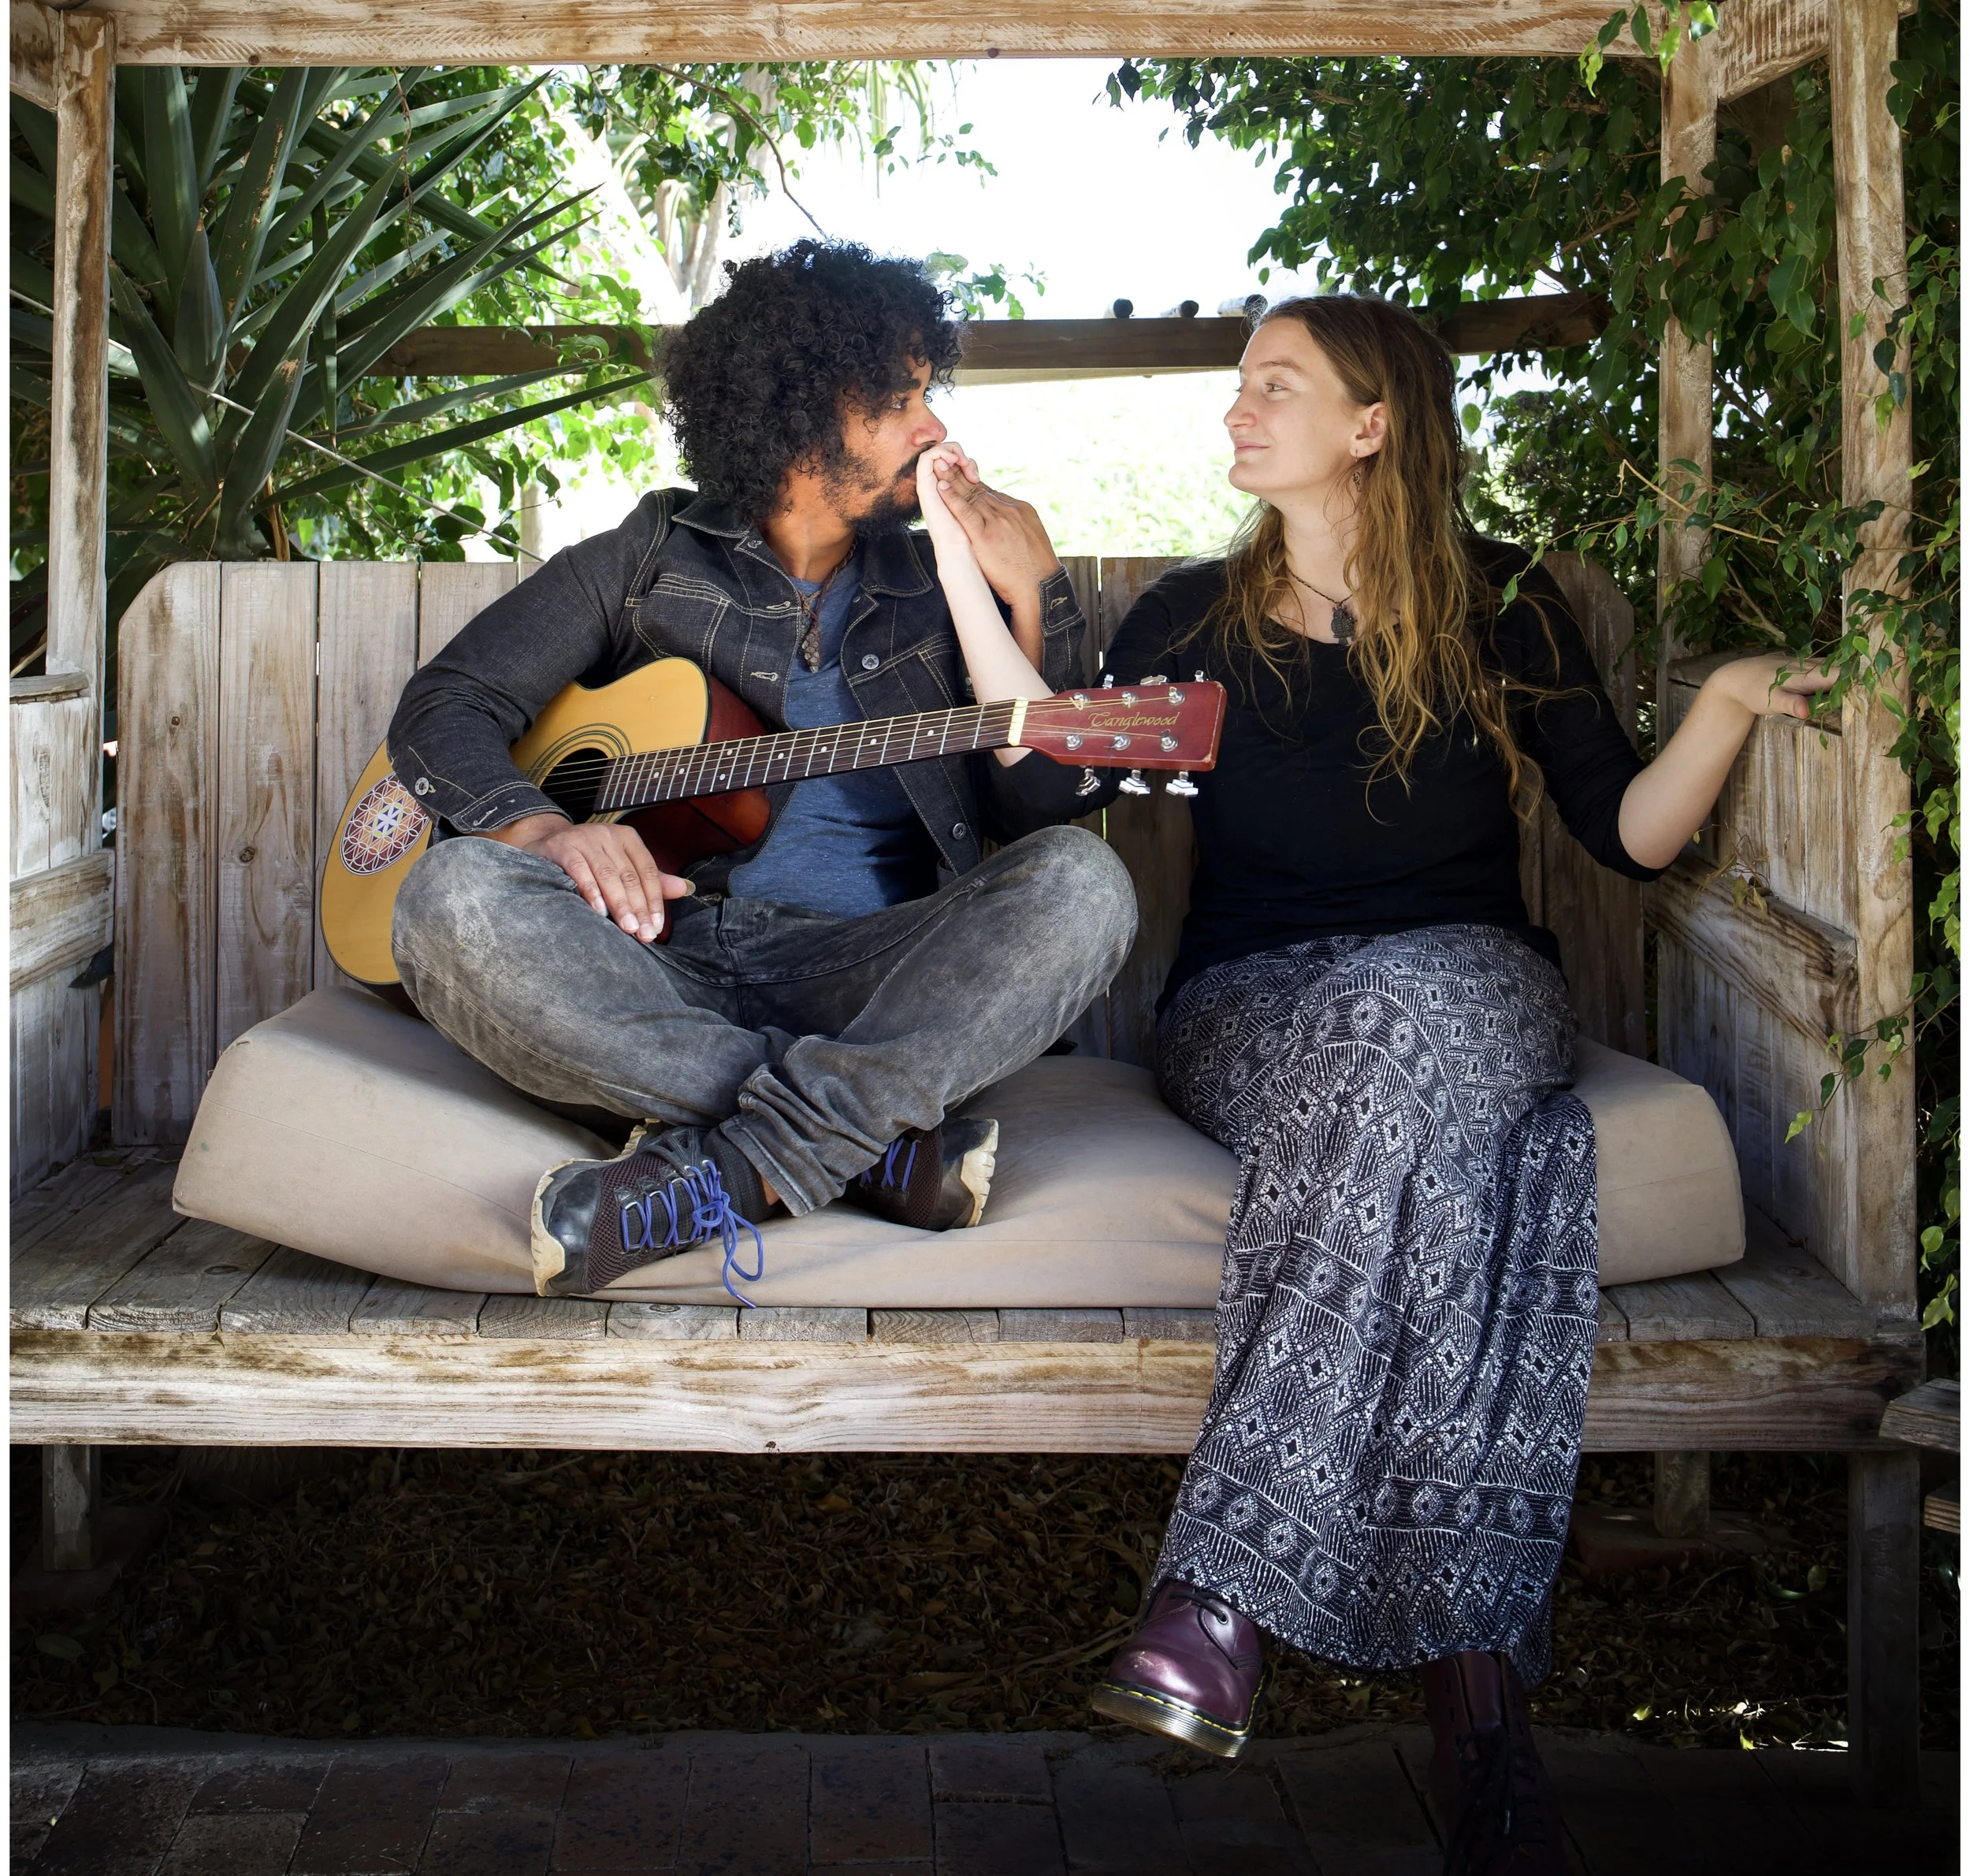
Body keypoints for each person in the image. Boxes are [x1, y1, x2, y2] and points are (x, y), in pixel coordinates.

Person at [1072, 295, 1831, 1874]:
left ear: (1371, 422)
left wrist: (1719, 709)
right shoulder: (1182, 623)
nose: (1236, 407)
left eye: (1273, 382)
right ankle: (1476, 1718)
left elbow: (1627, 830)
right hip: (1242, 1013)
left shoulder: (1504, 606)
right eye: (1237, 383)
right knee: (1425, 1125)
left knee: (1394, 1023)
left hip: (1474, 989)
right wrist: (994, 576)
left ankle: (1219, 1598)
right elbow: (1039, 781)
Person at [385, 240, 1135, 1302]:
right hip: (655, 963)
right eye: (899, 400)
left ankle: (726, 1168)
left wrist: (1035, 597)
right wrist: (544, 831)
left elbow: (1050, 802)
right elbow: (448, 705)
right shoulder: (650, 556)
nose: (936, 429)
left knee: (1083, 885)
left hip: (869, 977)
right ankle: (868, 1141)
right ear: (799, 414)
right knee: (448, 898)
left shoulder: (936, 588)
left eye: (930, 394)